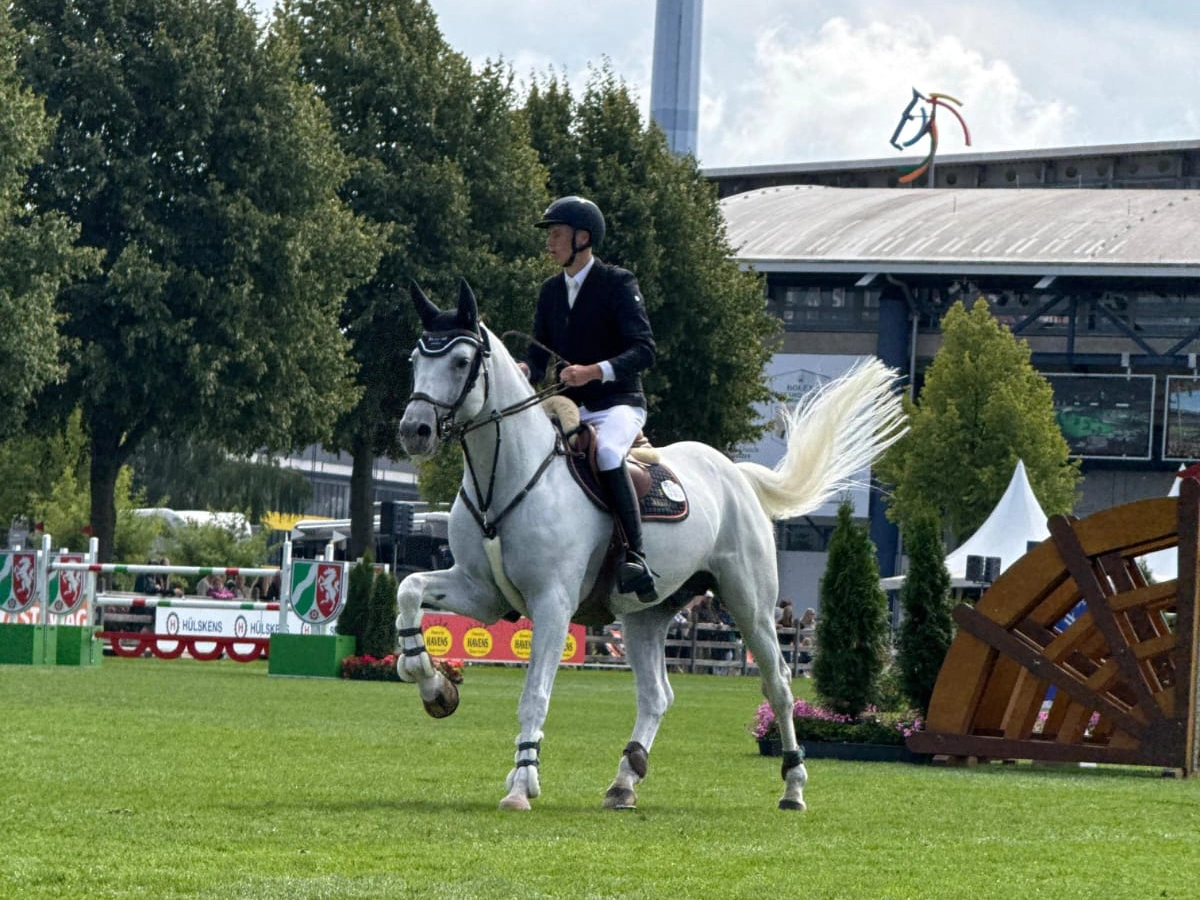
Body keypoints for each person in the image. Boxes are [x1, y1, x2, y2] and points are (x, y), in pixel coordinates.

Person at [521, 195, 658, 601]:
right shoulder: (550, 292)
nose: (550, 243)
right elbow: (537, 354)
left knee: (609, 456)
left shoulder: (618, 284)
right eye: (550, 235)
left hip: (618, 405)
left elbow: (644, 350)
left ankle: (636, 555)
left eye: (557, 234)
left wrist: (594, 371)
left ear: (583, 238)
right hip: (568, 408)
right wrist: (523, 370)